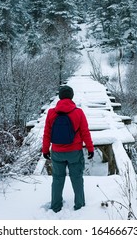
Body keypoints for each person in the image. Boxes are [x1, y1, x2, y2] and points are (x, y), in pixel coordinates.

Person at [42, 85, 94, 213]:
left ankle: (56, 206)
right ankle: (80, 205)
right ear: (72, 96)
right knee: (76, 178)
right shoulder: (78, 112)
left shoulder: (51, 113)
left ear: (59, 96)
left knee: (57, 179)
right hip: (74, 152)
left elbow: (47, 133)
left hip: (57, 152)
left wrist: (45, 150)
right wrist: (90, 148)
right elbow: (85, 132)